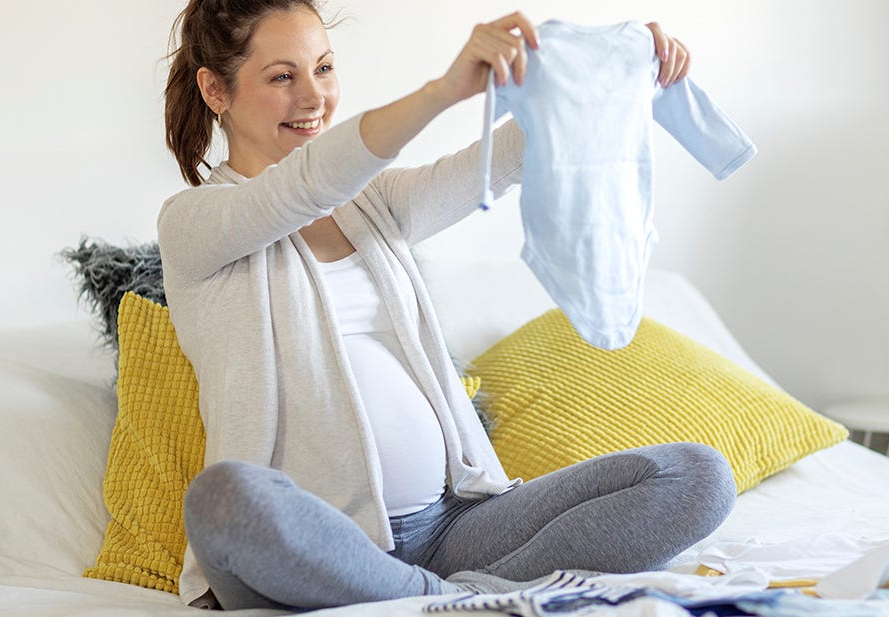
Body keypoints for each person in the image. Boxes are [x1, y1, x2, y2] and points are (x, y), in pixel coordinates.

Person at [158, 0, 736, 611]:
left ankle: (448, 600)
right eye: (282, 77)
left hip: (451, 531)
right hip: (318, 543)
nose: (314, 98)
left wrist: (621, 69)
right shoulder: (194, 223)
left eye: (324, 68)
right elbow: (307, 184)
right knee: (222, 498)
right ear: (215, 90)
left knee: (696, 475)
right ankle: (453, 599)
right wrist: (445, 89)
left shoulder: (372, 203)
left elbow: (514, 153)